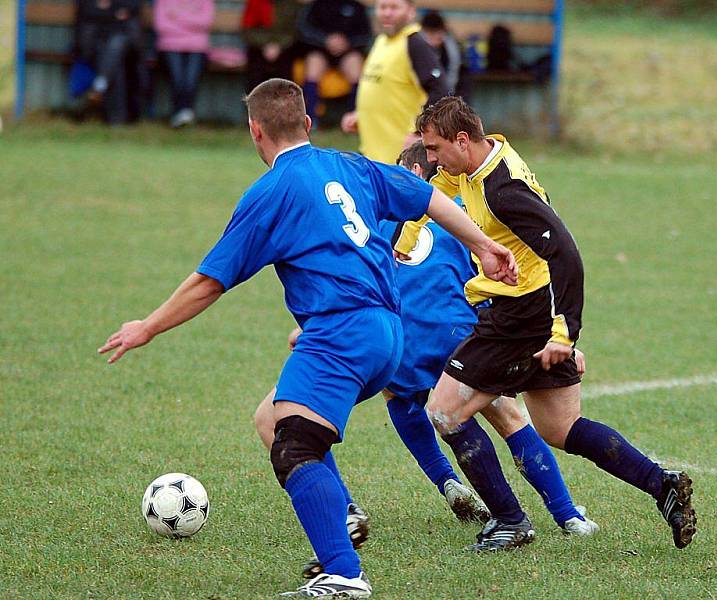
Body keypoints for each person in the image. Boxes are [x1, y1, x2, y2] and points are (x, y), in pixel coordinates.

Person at [98, 79, 517, 599]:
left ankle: (343, 571)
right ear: (308, 125)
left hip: (341, 330)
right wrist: (484, 245)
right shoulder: (352, 166)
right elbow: (429, 196)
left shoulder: (272, 191)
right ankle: (340, 519)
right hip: (389, 333)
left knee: (295, 443)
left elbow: (209, 282)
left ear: (255, 131)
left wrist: (147, 326)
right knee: (272, 419)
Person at [253, 142, 598, 580]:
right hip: (463, 332)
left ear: (415, 169)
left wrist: (320, 327)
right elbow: (510, 277)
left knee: (397, 394)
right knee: (505, 412)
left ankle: (421, 489)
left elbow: (367, 273)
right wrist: (550, 335)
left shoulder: (380, 212)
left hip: (397, 335)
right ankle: (568, 514)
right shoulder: (467, 210)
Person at [395, 96, 698, 551]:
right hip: (525, 310)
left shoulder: (502, 190)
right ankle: (663, 484)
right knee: (561, 428)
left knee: (444, 412)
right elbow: (432, 191)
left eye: (435, 148)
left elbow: (566, 256)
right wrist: (410, 235)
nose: (431, 159)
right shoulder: (476, 162)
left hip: (521, 315)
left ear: (462, 140)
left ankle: (510, 520)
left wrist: (564, 333)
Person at [340, 0, 449, 164]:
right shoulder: (381, 41)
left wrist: (420, 133)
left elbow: (440, 90)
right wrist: (361, 115)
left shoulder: (414, 43)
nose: (387, 13)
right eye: (383, 7)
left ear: (411, 11)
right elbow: (384, 88)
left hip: (401, 161)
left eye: (394, 7)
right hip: (374, 156)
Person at [296, 0, 372, 122]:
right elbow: (304, 29)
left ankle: (355, 118)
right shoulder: (316, 5)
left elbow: (366, 34)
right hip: (321, 49)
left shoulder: (356, 6)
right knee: (312, 67)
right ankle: (310, 119)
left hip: (348, 51)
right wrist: (325, 40)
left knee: (356, 68)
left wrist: (346, 43)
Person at [75, 0, 145, 125]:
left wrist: (106, 9)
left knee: (116, 46)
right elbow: (87, 10)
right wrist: (114, 13)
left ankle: (101, 85)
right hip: (94, 43)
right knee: (114, 63)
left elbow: (133, 7)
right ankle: (116, 118)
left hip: (127, 43)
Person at [153, 0, 215, 128]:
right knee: (178, 78)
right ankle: (183, 113)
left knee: (190, 80)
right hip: (169, 46)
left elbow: (206, 22)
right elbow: (161, 26)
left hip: (197, 47)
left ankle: (182, 113)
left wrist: (177, 18)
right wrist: (191, 23)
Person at [241, 0, 301, 93]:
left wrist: (278, 46)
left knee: (285, 71)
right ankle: (254, 104)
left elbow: (295, 32)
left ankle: (285, 104)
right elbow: (247, 30)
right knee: (256, 72)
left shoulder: (291, 4)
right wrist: (265, 45)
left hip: (284, 48)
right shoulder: (255, 2)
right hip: (260, 47)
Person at [419, 10, 460, 95]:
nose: (435, 38)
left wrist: (447, 93)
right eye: (430, 34)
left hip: (442, 91)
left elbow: (453, 69)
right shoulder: (416, 44)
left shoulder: (449, 46)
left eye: (438, 34)